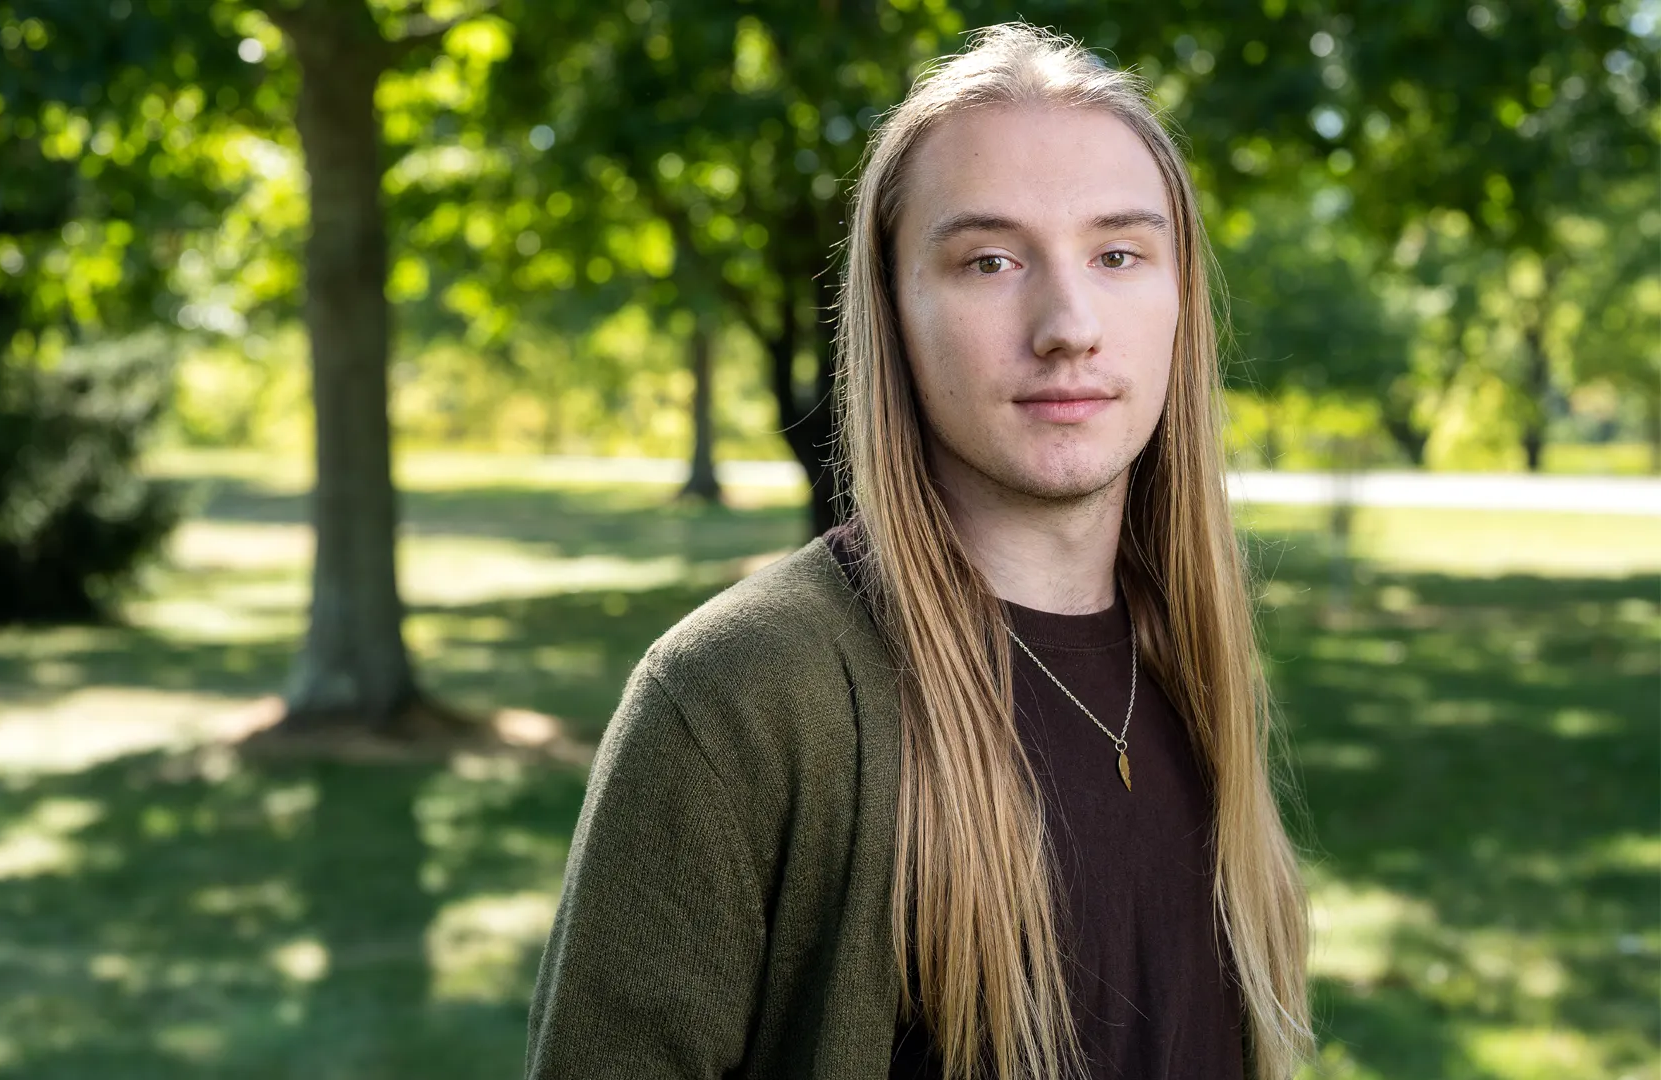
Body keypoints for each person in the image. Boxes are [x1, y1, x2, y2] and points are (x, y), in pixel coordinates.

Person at [524, 21, 1311, 1080]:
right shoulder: (735, 700)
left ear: (1179, 300)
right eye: (990, 261)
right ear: (892, 310)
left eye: (1118, 254)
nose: (1068, 324)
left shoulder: (1190, 657)